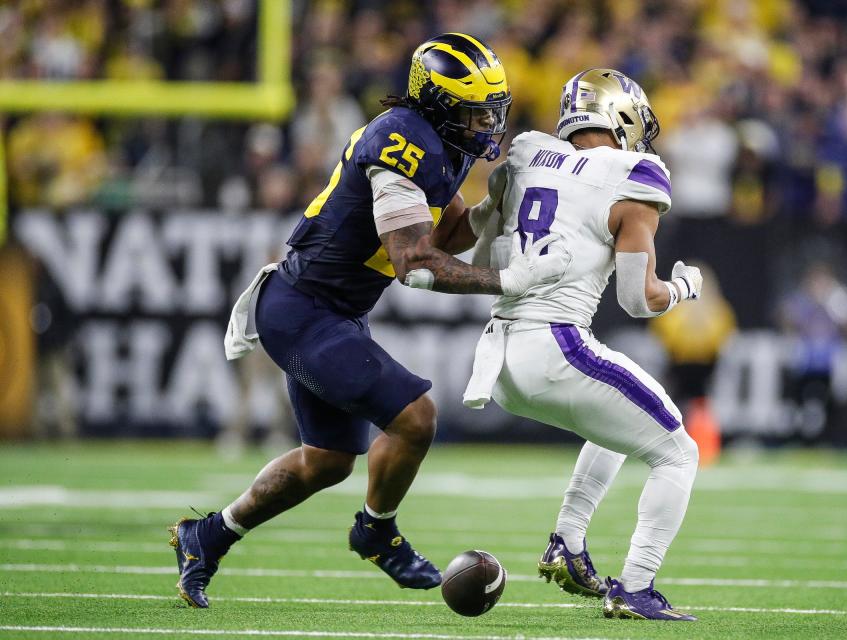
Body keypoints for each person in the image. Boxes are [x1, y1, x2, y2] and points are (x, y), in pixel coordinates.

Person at [168, 33, 567, 609]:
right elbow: (414, 261)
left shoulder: (441, 143)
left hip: (328, 310)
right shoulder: (401, 141)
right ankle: (376, 531)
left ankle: (206, 536)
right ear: (435, 102)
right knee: (416, 418)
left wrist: (490, 206)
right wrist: (510, 281)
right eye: (474, 110)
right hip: (302, 309)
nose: (486, 123)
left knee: (325, 462)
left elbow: (449, 234)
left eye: (491, 110)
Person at [433, 68, 703, 621]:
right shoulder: (636, 172)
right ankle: (635, 586)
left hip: (499, 359)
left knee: (616, 425)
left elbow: (473, 245)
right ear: (621, 115)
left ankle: (568, 541)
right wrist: (683, 287)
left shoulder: (529, 152)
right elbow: (637, 298)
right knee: (679, 451)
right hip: (555, 346)